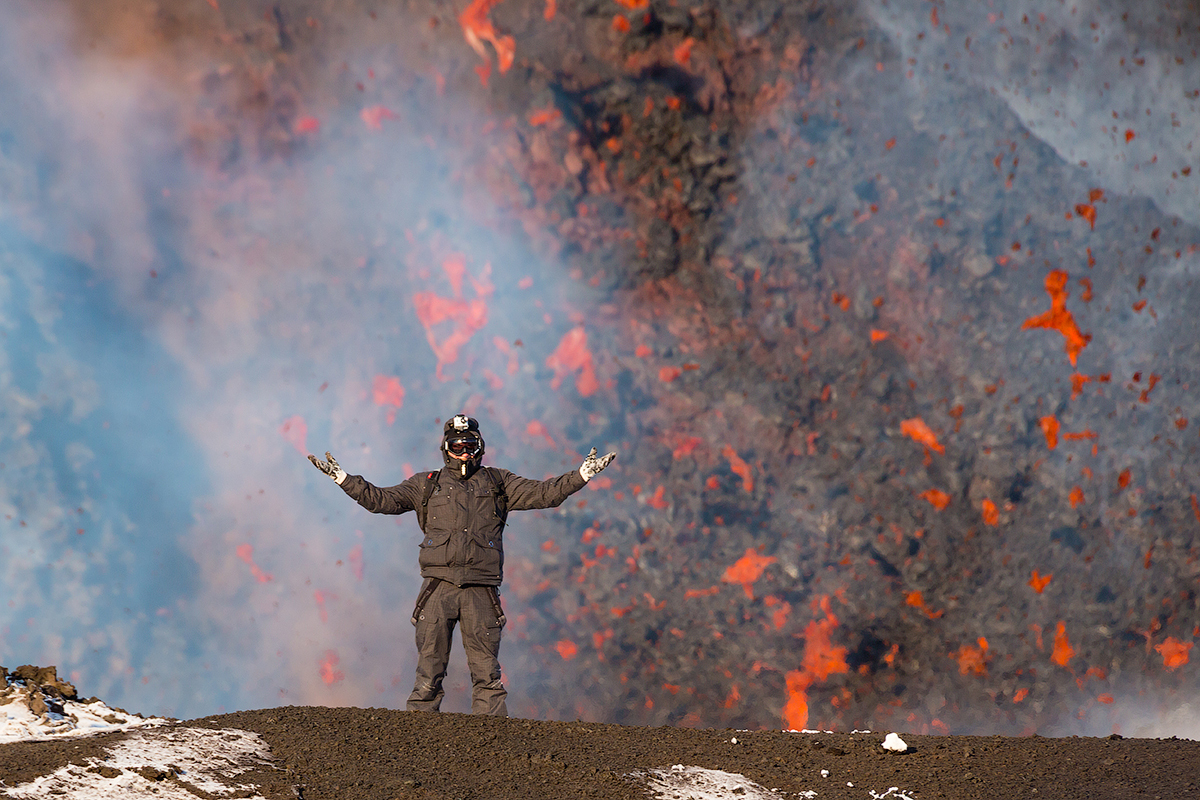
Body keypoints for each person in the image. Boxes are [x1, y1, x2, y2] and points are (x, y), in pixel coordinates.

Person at [308, 414, 615, 717]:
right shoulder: (425, 485)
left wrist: (582, 475)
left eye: (470, 444)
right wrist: (345, 480)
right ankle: (417, 741)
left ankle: (493, 746)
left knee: (487, 676)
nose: (464, 451)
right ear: (446, 449)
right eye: (457, 446)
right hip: (437, 588)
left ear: (480, 446)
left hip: (481, 590)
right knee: (428, 673)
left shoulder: (499, 482)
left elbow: (545, 493)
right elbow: (382, 500)